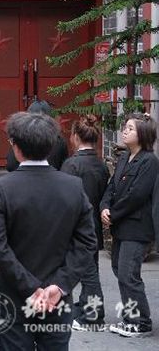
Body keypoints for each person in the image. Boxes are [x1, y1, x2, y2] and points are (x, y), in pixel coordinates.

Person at [0, 112, 97, 350]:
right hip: (57, 297)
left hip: (13, 294)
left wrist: (30, 287)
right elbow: (87, 242)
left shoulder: (2, 188)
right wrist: (59, 285)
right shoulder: (72, 186)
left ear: (16, 147)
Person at [100, 113, 158, 338]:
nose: (125, 131)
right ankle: (130, 317)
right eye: (125, 127)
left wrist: (113, 214)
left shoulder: (149, 161)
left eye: (131, 128)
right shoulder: (124, 157)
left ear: (143, 134)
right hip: (121, 225)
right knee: (119, 270)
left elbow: (137, 195)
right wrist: (104, 206)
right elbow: (111, 187)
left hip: (137, 227)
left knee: (128, 274)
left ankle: (140, 322)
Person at [61, 115, 108, 331]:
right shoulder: (101, 165)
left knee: (88, 273)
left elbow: (64, 199)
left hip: (76, 225)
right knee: (91, 268)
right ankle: (86, 305)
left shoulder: (71, 165)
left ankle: (93, 315)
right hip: (94, 223)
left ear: (75, 137)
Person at [5, 100, 68, 171]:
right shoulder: (59, 141)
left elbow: (11, 165)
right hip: (52, 176)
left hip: (22, 175)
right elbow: (63, 166)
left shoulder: (19, 135)